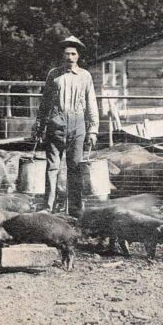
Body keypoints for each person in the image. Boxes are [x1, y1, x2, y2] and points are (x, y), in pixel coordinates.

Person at [33, 35, 99, 218]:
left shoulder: (85, 76)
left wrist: (93, 130)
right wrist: (39, 126)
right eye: (66, 54)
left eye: (73, 54)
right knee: (52, 167)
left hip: (78, 125)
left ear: (78, 56)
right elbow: (45, 103)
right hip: (56, 124)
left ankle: (75, 211)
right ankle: (48, 206)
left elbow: (92, 104)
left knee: (75, 167)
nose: (69, 57)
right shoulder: (53, 75)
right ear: (62, 56)